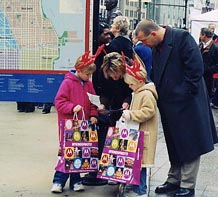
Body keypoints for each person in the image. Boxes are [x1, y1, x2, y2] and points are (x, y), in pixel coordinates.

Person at [135, 19, 218, 197]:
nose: (144, 44)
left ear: (154, 34)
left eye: (144, 40)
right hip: (170, 104)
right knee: (175, 143)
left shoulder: (182, 38)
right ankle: (174, 179)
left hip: (187, 104)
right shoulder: (157, 46)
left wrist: (181, 95)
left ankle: (187, 185)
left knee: (190, 145)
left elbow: (195, 70)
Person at [83, 16, 133, 186]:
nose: (113, 77)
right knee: (108, 133)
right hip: (113, 105)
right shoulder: (104, 74)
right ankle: (108, 170)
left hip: (125, 106)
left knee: (121, 135)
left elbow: (131, 91)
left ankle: (117, 172)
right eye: (110, 75)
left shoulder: (127, 75)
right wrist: (103, 103)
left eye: (115, 76)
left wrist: (126, 101)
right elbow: (105, 91)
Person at [110, 52, 157, 197]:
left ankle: (141, 190)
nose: (129, 87)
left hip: (143, 133)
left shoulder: (146, 94)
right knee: (136, 162)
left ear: (139, 81)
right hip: (137, 133)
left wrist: (131, 114)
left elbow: (149, 111)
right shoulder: (138, 92)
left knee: (141, 164)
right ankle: (136, 187)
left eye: (131, 84)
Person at [50, 51, 99, 193]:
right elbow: (59, 102)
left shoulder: (89, 84)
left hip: (83, 124)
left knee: (79, 151)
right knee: (67, 152)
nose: (89, 77)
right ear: (79, 71)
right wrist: (72, 108)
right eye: (87, 74)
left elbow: (92, 101)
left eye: (90, 75)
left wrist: (94, 114)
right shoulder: (67, 83)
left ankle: (76, 180)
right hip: (68, 124)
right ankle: (58, 181)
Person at [199, 27, 218, 101]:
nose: (199, 36)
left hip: (208, 77)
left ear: (204, 35)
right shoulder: (200, 45)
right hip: (199, 76)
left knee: (206, 97)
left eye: (200, 34)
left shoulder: (216, 48)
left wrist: (208, 70)